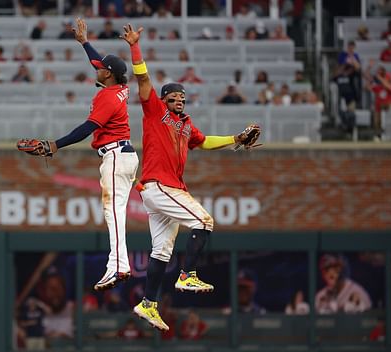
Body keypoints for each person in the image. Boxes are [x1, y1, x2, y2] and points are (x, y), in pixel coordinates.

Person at [121, 23, 261, 331]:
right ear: (165, 99)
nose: (179, 101)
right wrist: (134, 46)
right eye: (174, 97)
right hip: (160, 186)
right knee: (204, 221)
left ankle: (148, 304)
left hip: (161, 191)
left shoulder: (186, 126)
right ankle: (188, 274)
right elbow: (143, 79)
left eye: (182, 98)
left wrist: (236, 139)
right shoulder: (156, 111)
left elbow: (206, 141)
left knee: (160, 251)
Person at [17, 18, 139, 292]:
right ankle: (116, 264)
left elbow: (87, 129)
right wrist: (84, 42)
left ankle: (119, 265)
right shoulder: (118, 87)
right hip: (123, 154)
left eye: (102, 68)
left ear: (108, 74)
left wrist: (56, 145)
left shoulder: (108, 97)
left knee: (114, 211)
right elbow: (99, 63)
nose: (97, 68)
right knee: (114, 211)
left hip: (116, 155)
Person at [36, 266, 74, 340]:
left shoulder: (75, 310)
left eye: (59, 287)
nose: (56, 293)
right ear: (42, 291)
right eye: (51, 289)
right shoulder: (37, 314)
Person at [364, 62, 391, 140]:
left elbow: (390, 87)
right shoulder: (378, 87)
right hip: (378, 108)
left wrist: (380, 78)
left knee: (381, 111)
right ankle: (378, 135)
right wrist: (369, 79)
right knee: (376, 117)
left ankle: (383, 133)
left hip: (387, 107)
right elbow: (366, 87)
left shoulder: (390, 85)